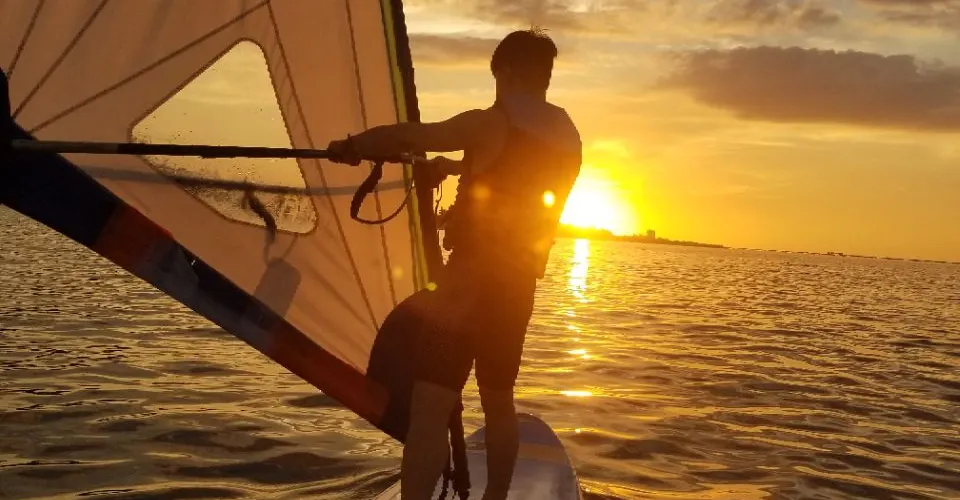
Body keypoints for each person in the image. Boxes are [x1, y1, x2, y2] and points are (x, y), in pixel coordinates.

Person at [328, 28, 582, 500]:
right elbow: (516, 177)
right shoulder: (567, 135)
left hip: (466, 287)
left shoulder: (489, 122)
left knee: (431, 404)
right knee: (499, 401)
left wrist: (354, 144)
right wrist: (460, 166)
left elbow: (411, 136)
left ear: (505, 70)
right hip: (517, 289)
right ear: (545, 75)